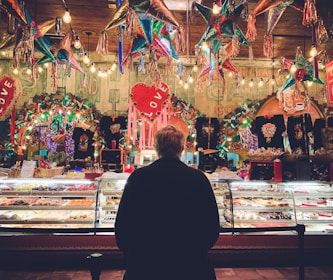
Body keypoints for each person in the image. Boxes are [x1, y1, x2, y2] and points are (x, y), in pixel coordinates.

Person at [115, 125, 220, 280]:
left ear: (157, 148)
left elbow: (122, 225)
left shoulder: (138, 178)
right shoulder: (198, 178)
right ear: (182, 148)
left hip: (144, 265)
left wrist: (134, 254)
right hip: (191, 266)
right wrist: (198, 249)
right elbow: (212, 226)